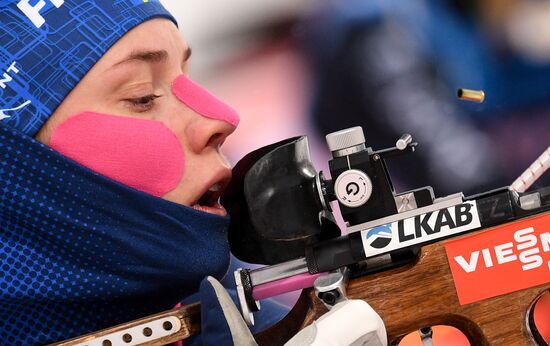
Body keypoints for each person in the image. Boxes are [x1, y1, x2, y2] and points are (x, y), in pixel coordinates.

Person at [1, 1, 388, 345]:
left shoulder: (258, 319)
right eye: (142, 96)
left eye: (189, 76)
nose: (222, 117)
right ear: (17, 176)